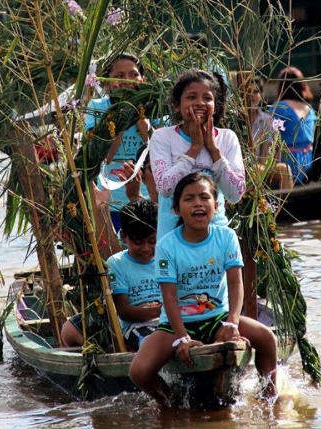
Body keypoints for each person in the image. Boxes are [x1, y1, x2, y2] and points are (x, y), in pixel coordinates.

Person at [129, 173, 278, 404]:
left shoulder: (227, 237)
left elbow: (235, 283)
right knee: (138, 371)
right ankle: (171, 404)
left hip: (217, 318)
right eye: (189, 198)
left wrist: (232, 323)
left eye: (204, 197)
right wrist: (181, 339)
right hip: (174, 325)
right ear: (176, 209)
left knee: (268, 339)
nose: (198, 203)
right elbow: (169, 297)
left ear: (215, 206)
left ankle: (268, 400)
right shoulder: (167, 245)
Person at [148, 69, 245, 238]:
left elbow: (235, 194)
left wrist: (214, 151)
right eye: (191, 97)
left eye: (207, 98)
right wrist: (194, 148)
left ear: (215, 106)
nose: (200, 103)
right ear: (177, 105)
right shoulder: (162, 137)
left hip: (216, 236)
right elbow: (165, 188)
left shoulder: (227, 138)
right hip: (172, 239)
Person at [61, 198, 161, 351]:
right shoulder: (117, 263)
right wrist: (162, 310)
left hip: (168, 321)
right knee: (153, 344)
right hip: (137, 326)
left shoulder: (166, 258)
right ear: (123, 237)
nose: (146, 248)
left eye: (152, 241)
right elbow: (124, 311)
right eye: (138, 242)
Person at [85, 53, 151, 231]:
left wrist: (142, 124)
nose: (127, 80)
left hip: (148, 201)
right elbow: (104, 158)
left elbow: (160, 155)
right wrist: (122, 120)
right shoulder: (97, 107)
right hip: (112, 201)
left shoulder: (154, 106)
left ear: (142, 80)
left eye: (133, 74)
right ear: (107, 81)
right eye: (119, 76)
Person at [270, 66, 318, 184]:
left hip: (289, 163)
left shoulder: (279, 107)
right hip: (310, 162)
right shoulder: (310, 109)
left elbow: (271, 138)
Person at [248, 75, 293, 189]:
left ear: (261, 95)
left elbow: (266, 152)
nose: (252, 96)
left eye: (256, 92)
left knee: (285, 169)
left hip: (261, 167)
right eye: (248, 92)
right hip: (243, 168)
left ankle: (287, 205)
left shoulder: (268, 120)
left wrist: (262, 168)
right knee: (256, 169)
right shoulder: (237, 119)